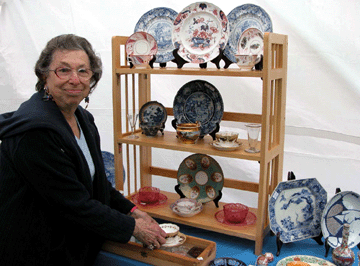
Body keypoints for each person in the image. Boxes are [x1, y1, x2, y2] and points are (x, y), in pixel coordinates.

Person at [0, 34, 166, 266]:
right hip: (34, 250)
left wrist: (132, 210)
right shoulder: (35, 131)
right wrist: (133, 228)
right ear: (44, 76)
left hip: (65, 240)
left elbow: (96, 182)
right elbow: (72, 202)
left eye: (83, 71)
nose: (74, 80)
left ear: (92, 79)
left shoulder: (83, 119)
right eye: (63, 70)